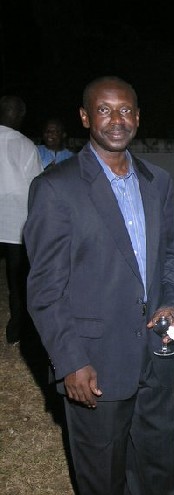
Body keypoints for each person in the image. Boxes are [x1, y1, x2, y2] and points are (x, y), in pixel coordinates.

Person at [23, 76, 174, 495]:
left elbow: (169, 256)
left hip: (154, 346)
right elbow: (44, 289)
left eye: (126, 110)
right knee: (101, 457)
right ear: (85, 118)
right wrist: (68, 358)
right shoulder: (56, 189)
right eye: (104, 111)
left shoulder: (157, 182)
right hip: (94, 355)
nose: (116, 120)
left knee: (157, 444)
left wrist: (173, 299)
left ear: (138, 118)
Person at [0, 95, 43, 344]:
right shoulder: (26, 145)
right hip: (17, 223)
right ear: (18, 115)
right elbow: (36, 187)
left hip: (15, 221)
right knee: (17, 279)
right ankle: (15, 327)